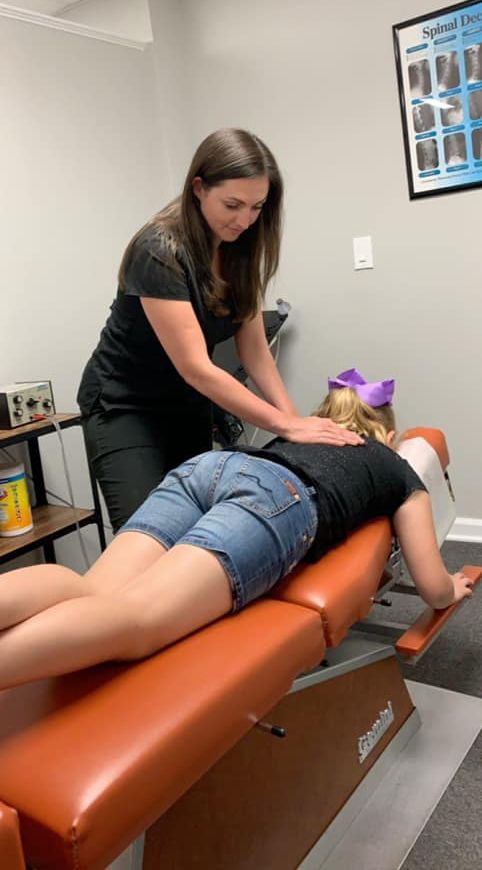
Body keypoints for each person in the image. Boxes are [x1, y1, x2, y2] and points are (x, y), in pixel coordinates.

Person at [0, 368, 474, 691]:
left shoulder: (299, 432)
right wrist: (450, 586)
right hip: (275, 497)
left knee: (91, 589)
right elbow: (432, 586)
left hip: (209, 467)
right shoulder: (394, 467)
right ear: (388, 435)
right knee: (137, 620)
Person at [77, 128, 362, 532]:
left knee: (196, 529)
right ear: (198, 188)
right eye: (232, 204)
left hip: (186, 402)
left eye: (256, 207)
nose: (244, 220)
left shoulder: (240, 250)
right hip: (125, 406)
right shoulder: (159, 250)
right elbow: (197, 366)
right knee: (149, 536)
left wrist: (294, 422)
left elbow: (255, 352)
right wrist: (286, 426)